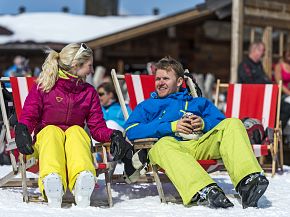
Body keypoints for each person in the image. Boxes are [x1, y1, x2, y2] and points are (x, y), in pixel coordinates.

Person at [124, 56, 269, 209]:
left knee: (233, 123)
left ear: (179, 82)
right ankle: (203, 189)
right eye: (158, 79)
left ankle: (248, 181)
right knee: (163, 144)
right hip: (172, 150)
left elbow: (222, 123)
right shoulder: (147, 106)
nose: (160, 83)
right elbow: (131, 131)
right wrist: (171, 127)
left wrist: (204, 123)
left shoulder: (198, 102)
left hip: (201, 144)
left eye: (166, 78)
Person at [14, 43, 133, 208]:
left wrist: (113, 135)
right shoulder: (45, 85)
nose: (92, 71)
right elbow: (29, 114)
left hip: (73, 143)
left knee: (77, 131)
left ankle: (82, 181)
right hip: (47, 143)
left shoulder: (88, 92)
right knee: (51, 131)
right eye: (89, 66)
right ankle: (52, 181)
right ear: (76, 66)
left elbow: (97, 127)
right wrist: (22, 130)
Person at [274, 49, 290, 133]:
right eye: (288, 55)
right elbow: (279, 83)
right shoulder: (279, 66)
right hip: (282, 94)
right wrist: (289, 93)